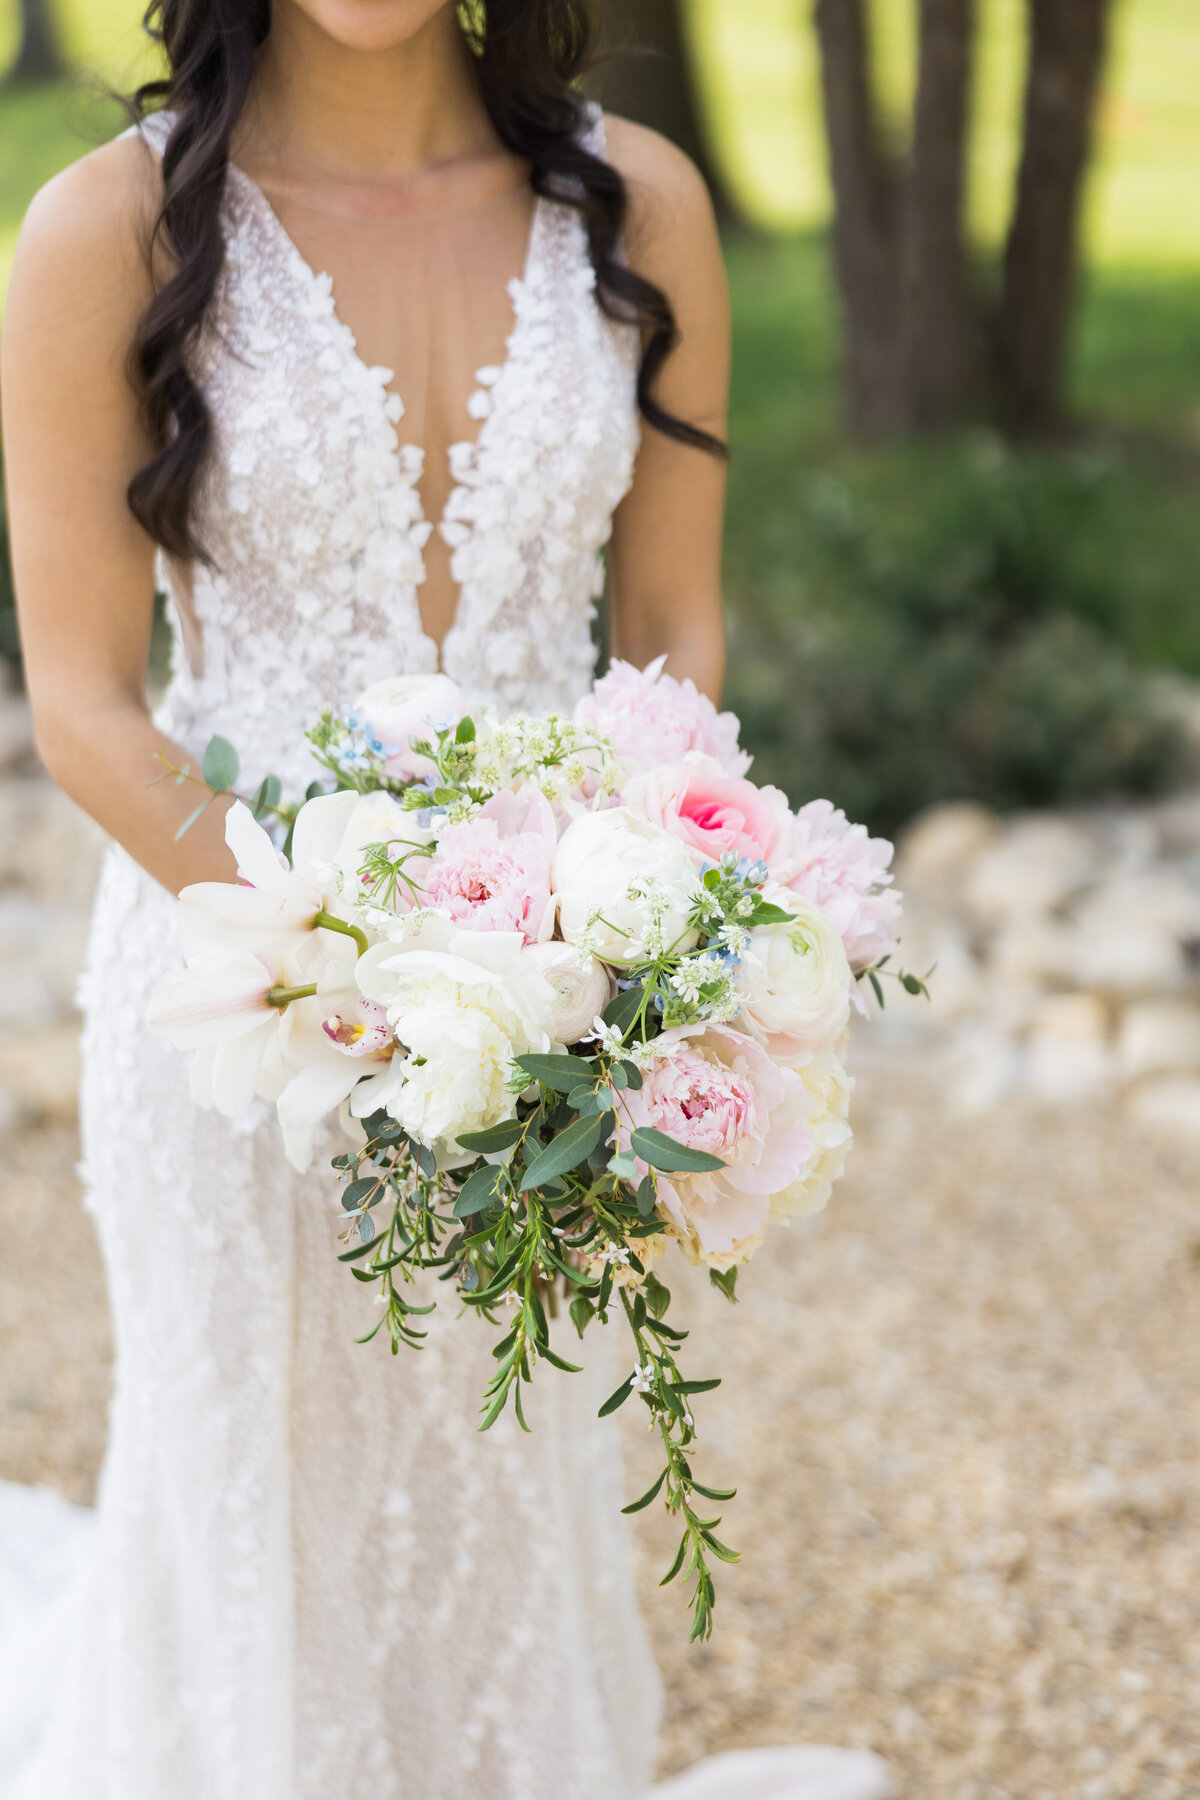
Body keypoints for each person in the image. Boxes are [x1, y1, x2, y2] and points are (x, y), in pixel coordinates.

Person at [0, 3, 892, 1796]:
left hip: (555, 996)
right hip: (229, 996)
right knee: (255, 1476)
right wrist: (351, 967)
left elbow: (668, 635)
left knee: (504, 1466)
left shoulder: (641, 211)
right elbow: (87, 703)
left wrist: (642, 940)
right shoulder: (107, 232)